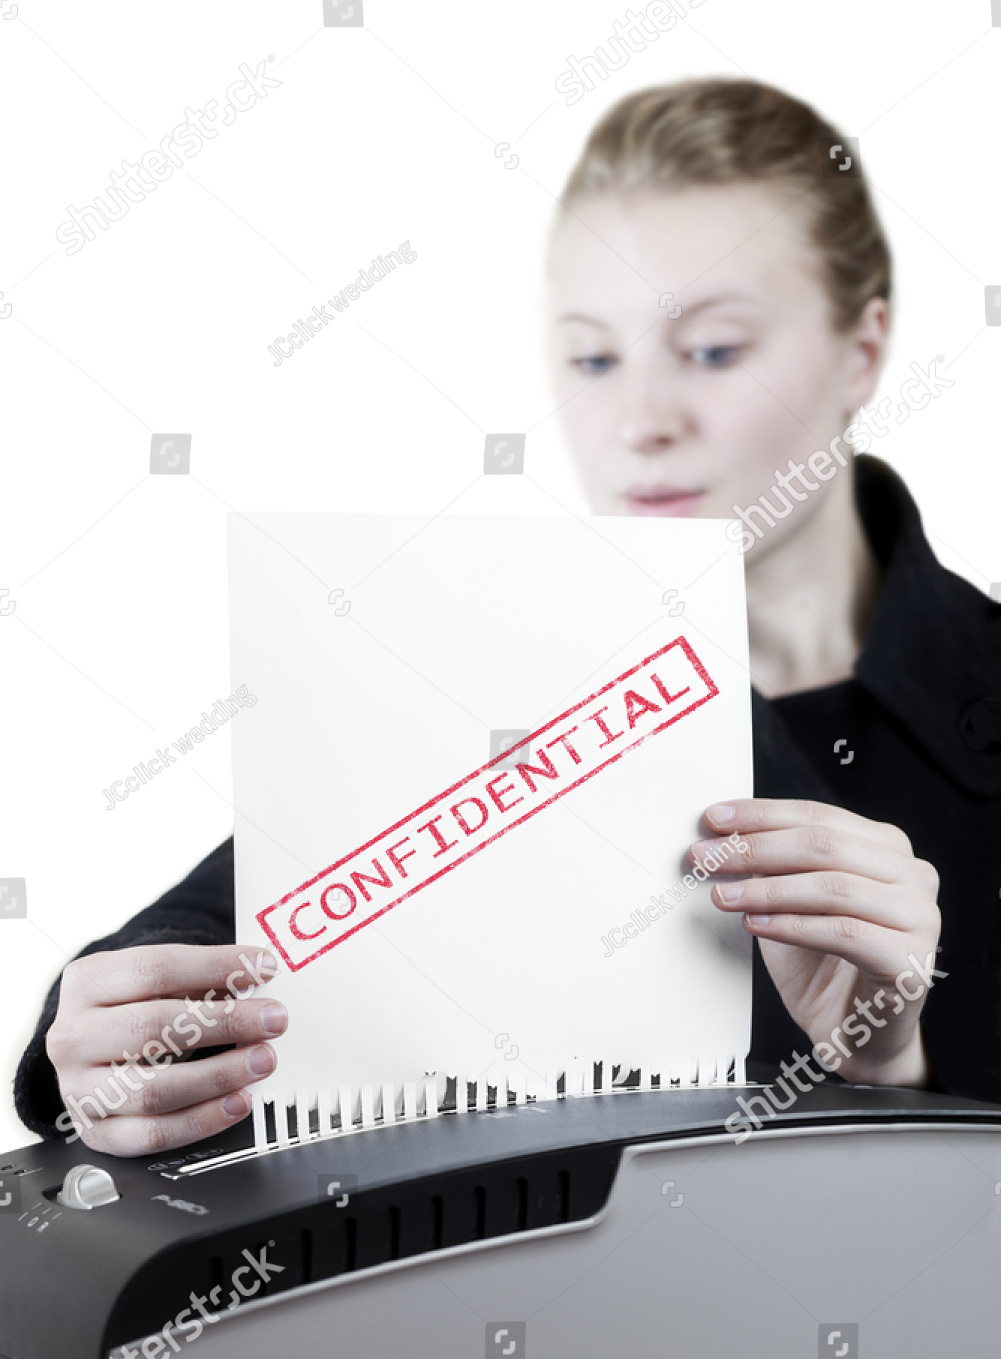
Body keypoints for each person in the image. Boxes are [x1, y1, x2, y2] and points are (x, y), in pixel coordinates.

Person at [11, 78, 1001, 1158]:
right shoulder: (495, 671)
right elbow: (229, 931)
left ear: (861, 352)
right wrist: (104, 1038)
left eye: (713, 348)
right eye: (591, 358)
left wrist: (889, 1065)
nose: (638, 420)